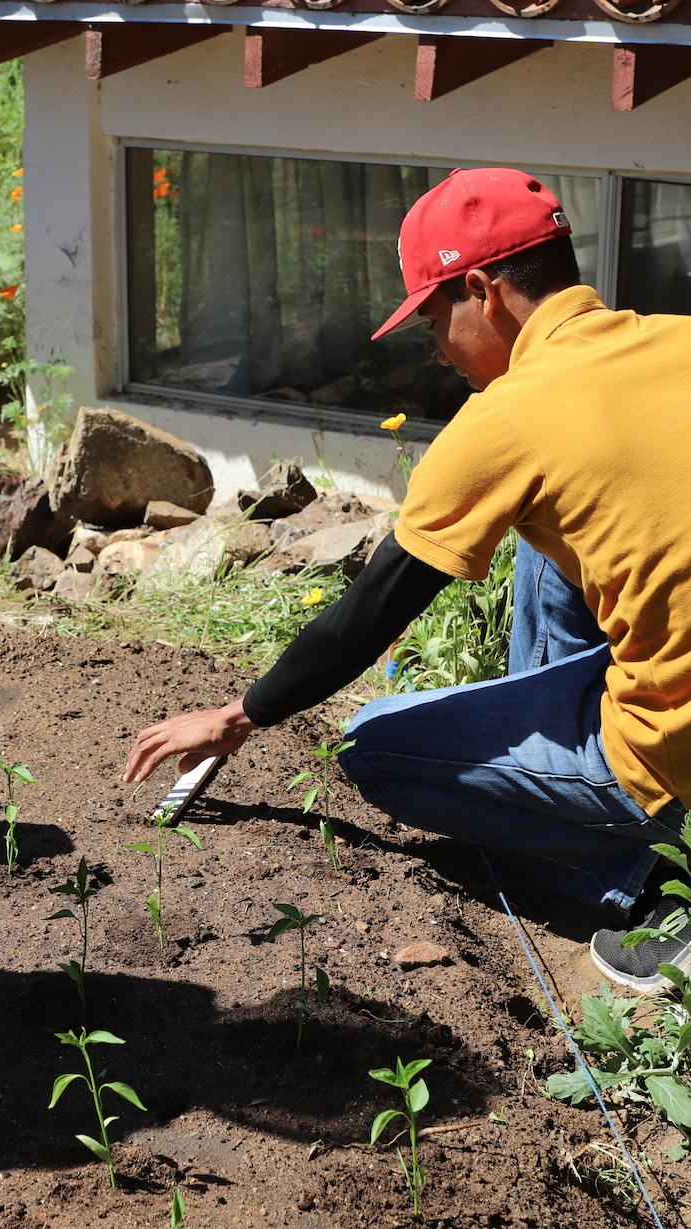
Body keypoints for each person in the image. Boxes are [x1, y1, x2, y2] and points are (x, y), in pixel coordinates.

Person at [125, 167, 691, 994]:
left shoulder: (507, 418)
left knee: (372, 744)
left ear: (479, 290)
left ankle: (656, 881)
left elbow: (366, 614)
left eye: (431, 318)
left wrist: (235, 715)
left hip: (674, 746)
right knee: (546, 528)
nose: (434, 349)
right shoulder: (672, 338)